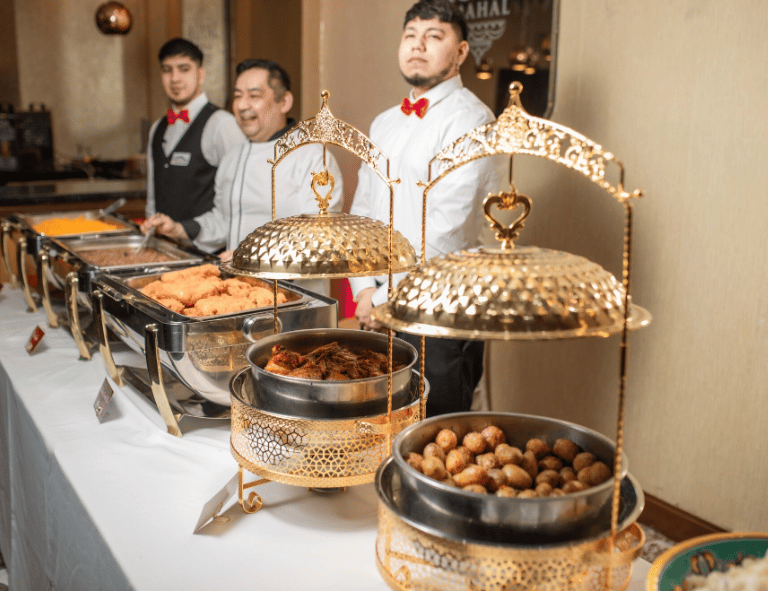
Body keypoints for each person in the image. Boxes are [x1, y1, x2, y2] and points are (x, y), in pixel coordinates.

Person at [348, 0, 503, 416]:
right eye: (410, 35)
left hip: (442, 308)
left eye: (434, 36)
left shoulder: (472, 121)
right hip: (376, 303)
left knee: (438, 428)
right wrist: (364, 290)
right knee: (379, 422)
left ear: (461, 52)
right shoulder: (384, 122)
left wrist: (386, 297)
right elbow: (362, 212)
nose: (418, 45)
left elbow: (446, 230)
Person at [141, 59, 343, 296]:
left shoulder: (313, 157)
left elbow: (320, 240)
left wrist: (251, 257)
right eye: (237, 96)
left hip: (295, 298)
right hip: (240, 295)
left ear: (284, 102)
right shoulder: (233, 157)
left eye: (254, 96)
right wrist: (179, 229)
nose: (242, 105)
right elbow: (223, 220)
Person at [146, 38, 246, 222]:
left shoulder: (222, 124)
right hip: (163, 239)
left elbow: (242, 196)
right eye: (167, 70)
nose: (174, 78)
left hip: (209, 240)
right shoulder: (156, 128)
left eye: (184, 69)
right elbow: (153, 200)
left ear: (200, 75)